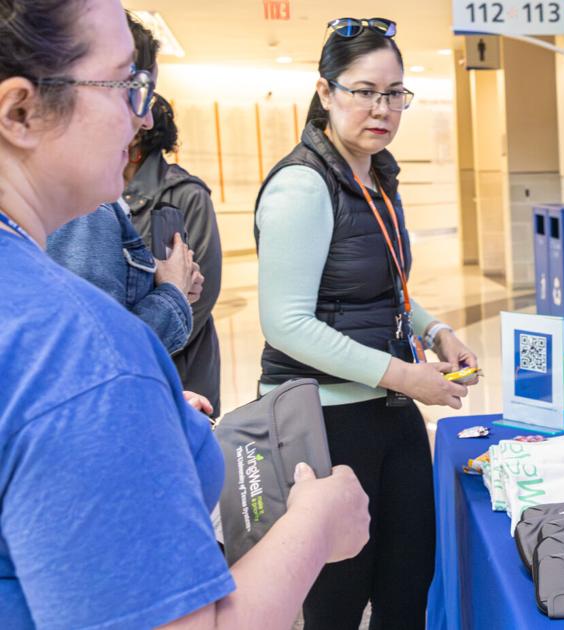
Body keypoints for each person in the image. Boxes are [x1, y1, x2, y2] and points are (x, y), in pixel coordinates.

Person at [0, 1, 370, 627]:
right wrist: (315, 523)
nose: (142, 115)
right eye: (126, 85)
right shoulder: (84, 354)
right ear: (21, 111)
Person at [254, 16, 479, 629]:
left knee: (409, 579)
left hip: (384, 407)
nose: (381, 108)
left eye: (394, 93)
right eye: (363, 90)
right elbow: (287, 324)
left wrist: (435, 332)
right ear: (325, 92)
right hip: (322, 419)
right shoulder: (303, 185)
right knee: (337, 600)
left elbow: (383, 288)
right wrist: (408, 378)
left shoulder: (377, 175)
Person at [45, 13, 202, 358]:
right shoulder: (83, 208)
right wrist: (172, 292)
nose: (145, 119)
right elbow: (100, 358)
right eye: (134, 90)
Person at [124, 95, 224, 416]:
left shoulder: (186, 193)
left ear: (141, 132)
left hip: (181, 363)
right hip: (132, 356)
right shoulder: (100, 195)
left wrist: (154, 348)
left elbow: (203, 292)